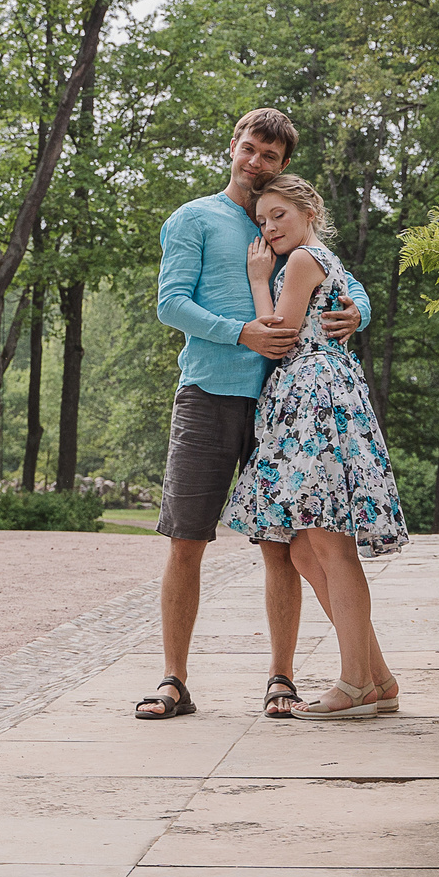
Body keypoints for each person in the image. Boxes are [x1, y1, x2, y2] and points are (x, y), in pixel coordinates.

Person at [142, 107, 370, 721]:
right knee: (186, 539)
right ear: (234, 147)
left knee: (281, 543)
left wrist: (361, 315)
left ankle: (281, 678)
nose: (256, 162)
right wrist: (239, 332)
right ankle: (174, 680)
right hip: (209, 393)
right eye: (249, 149)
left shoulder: (285, 217)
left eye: (269, 156)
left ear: (283, 165)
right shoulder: (194, 218)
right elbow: (170, 305)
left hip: (283, 407)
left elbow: (339, 277)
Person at [226, 173, 409, 720]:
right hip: (304, 398)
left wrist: (259, 277)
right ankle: (377, 677)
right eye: (261, 220)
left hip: (315, 397)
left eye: (278, 214)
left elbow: (278, 332)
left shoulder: (304, 261)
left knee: (329, 543)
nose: (269, 227)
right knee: (305, 549)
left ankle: (353, 682)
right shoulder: (317, 261)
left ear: (308, 212)